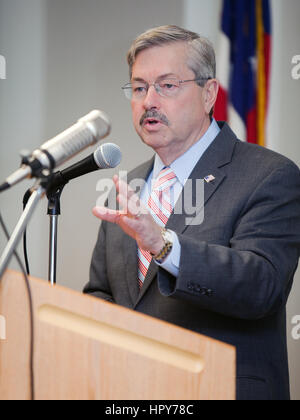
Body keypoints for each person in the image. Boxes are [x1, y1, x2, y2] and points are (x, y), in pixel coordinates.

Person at [84, 25, 300, 400]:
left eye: (167, 85)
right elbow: (104, 294)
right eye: (139, 88)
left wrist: (165, 246)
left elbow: (262, 286)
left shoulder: (269, 174)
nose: (149, 100)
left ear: (209, 94)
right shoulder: (130, 185)